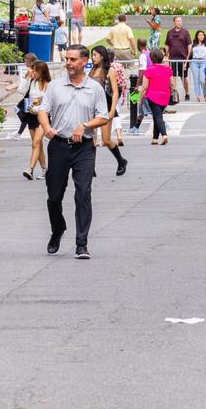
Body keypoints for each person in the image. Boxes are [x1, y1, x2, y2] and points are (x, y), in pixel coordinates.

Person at [40, 44, 109, 259]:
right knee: (54, 197)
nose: (68, 63)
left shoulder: (94, 88)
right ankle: (58, 229)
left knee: (83, 193)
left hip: (84, 148)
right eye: (66, 59)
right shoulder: (55, 86)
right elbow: (43, 110)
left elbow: (103, 116)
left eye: (72, 59)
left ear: (84, 61)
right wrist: (46, 127)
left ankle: (81, 243)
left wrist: (85, 126)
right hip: (59, 145)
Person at [88, 45, 129, 176]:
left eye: (95, 55)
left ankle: (121, 160)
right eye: (92, 55)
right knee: (91, 139)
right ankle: (90, 168)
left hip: (105, 107)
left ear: (102, 56)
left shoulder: (109, 70)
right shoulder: (91, 71)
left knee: (106, 140)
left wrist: (112, 111)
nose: (93, 58)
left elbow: (115, 92)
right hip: (92, 107)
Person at [19, 59, 53, 181]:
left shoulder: (49, 84)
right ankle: (45, 169)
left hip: (43, 116)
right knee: (38, 145)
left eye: (35, 70)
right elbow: (21, 91)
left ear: (42, 71)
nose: (33, 72)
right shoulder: (32, 82)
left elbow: (50, 102)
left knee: (36, 143)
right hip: (31, 115)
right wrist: (27, 77)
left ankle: (30, 169)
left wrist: (39, 109)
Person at [142, 46, 174, 145]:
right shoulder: (168, 69)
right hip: (165, 96)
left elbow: (144, 87)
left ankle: (164, 135)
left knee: (158, 116)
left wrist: (141, 98)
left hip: (153, 96)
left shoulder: (149, 70)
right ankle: (155, 138)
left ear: (151, 58)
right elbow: (172, 84)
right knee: (157, 115)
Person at [165, 15, 192, 106]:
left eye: (180, 21)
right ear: (174, 22)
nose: (179, 23)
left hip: (183, 58)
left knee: (184, 77)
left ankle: (187, 93)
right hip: (172, 59)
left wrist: (187, 59)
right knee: (173, 78)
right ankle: (174, 95)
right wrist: (166, 57)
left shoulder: (185, 32)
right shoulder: (169, 32)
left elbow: (189, 46)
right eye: (177, 21)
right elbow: (167, 45)